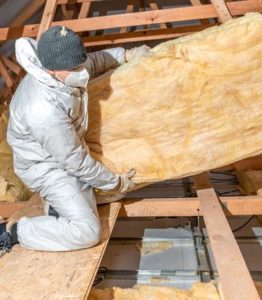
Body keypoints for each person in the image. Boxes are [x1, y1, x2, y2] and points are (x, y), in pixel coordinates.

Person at [0, 26, 150, 254]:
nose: (83, 72)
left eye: (80, 64)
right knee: (88, 231)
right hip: (46, 167)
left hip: (64, 152)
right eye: (75, 68)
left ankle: (61, 206)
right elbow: (74, 161)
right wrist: (115, 181)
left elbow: (94, 61)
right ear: (51, 70)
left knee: (115, 193)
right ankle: (15, 231)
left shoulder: (65, 66)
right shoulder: (42, 110)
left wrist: (125, 55)